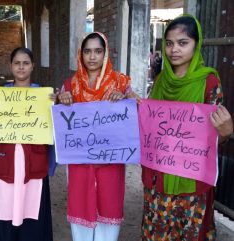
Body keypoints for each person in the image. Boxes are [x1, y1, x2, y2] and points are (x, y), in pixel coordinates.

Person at [141, 15, 233, 241]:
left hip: (191, 178)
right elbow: (151, 127)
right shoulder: (161, 80)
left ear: (196, 44)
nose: (174, 50)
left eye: (183, 43)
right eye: (170, 43)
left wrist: (226, 132)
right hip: (159, 175)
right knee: (157, 231)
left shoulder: (208, 82)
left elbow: (213, 138)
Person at [57, 32, 136, 241]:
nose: (92, 57)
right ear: (81, 54)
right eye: (87, 51)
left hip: (111, 162)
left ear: (105, 53)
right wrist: (60, 99)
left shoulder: (120, 83)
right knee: (80, 206)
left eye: (98, 51)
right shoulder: (70, 84)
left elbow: (139, 111)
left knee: (109, 206)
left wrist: (125, 100)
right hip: (79, 163)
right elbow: (59, 121)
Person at [0, 47, 54, 241]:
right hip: (6, 161)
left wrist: (55, 106)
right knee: (6, 209)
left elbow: (52, 129)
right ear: (11, 66)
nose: (21, 67)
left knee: (33, 210)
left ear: (33, 66)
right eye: (17, 63)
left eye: (26, 63)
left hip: (33, 161)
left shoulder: (42, 95)